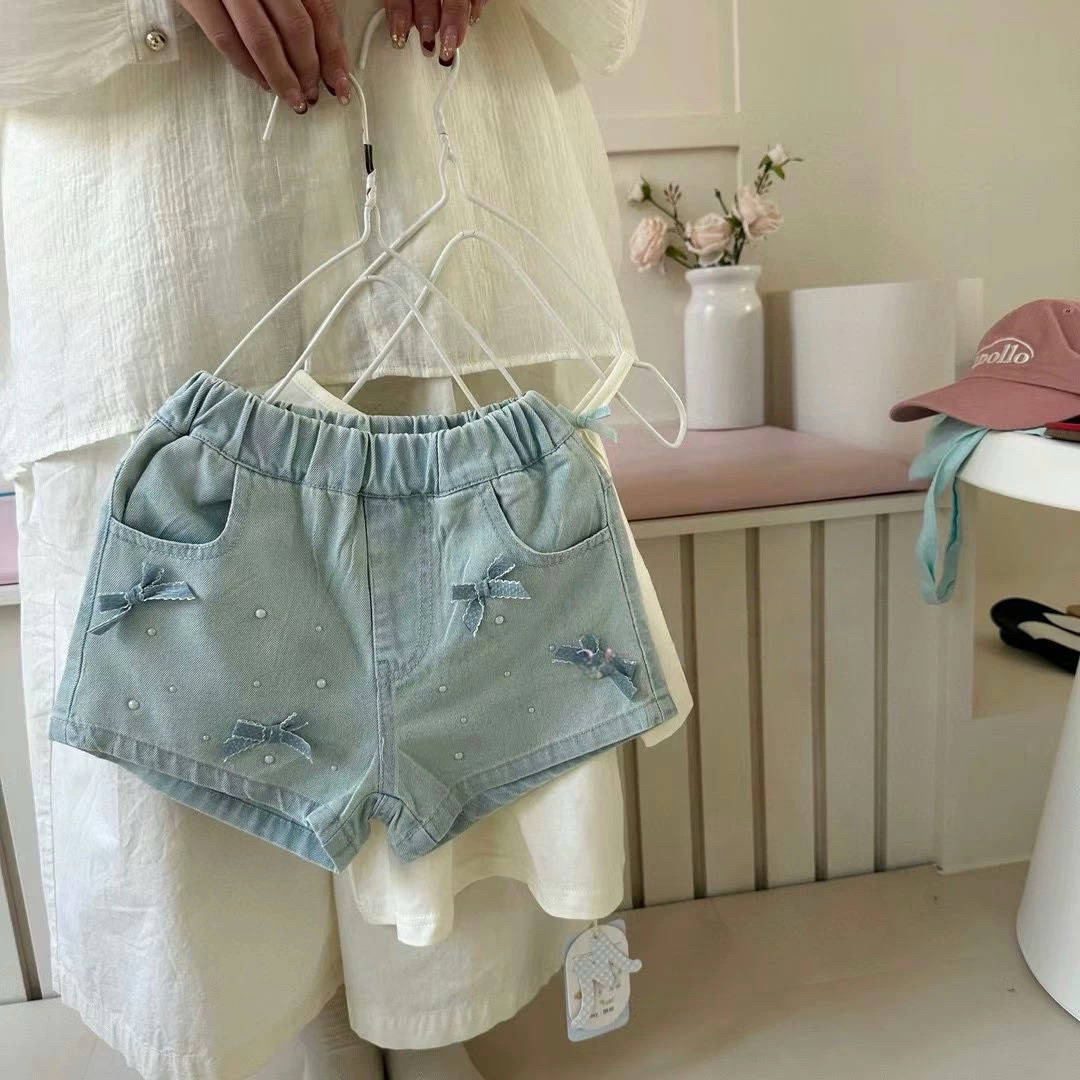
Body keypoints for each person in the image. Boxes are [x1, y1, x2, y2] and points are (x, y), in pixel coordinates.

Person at [0, 2, 649, 1076]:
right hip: (162, 246)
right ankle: (311, 1039)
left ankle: (435, 1021)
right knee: (204, 788)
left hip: (459, 236)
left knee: (482, 728)